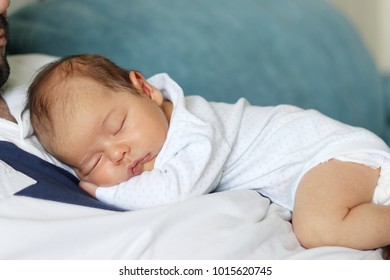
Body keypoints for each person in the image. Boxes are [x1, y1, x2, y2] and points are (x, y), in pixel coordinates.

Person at [27, 53, 390, 254]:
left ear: (145, 89)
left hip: (331, 155)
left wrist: (103, 188)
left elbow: (175, 191)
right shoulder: (158, 136)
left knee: (319, 229)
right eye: (94, 161)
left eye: (119, 126)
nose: (118, 153)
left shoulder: (194, 128)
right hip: (315, 174)